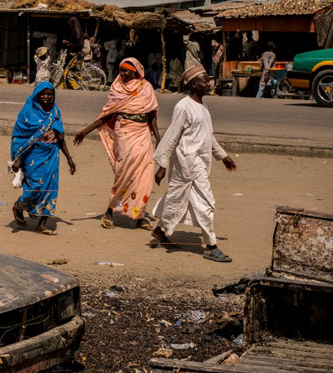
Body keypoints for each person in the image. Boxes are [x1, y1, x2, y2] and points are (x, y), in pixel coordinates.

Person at [150, 64, 237, 262]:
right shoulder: (183, 107)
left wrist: (223, 156)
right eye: (204, 81)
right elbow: (172, 136)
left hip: (199, 161)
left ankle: (161, 230)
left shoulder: (203, 107)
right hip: (188, 163)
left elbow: (208, 136)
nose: (208, 84)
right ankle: (211, 245)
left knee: (176, 196)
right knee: (205, 203)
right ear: (193, 84)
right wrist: (162, 166)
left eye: (208, 81)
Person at [73, 58, 160, 229]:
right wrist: (85, 131)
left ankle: (138, 216)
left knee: (144, 174)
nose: (122, 73)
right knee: (124, 172)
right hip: (125, 132)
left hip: (143, 133)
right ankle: (109, 212)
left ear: (135, 71)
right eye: (120, 70)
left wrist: (158, 137)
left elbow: (151, 115)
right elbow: (106, 115)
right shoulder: (117, 88)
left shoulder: (146, 88)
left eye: (125, 70)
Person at [10, 82, 77, 234]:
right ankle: (19, 206)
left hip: (52, 154)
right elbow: (21, 137)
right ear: (37, 95)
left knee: (50, 188)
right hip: (33, 155)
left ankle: (42, 223)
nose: (46, 97)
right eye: (43, 94)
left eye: (49, 94)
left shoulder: (55, 111)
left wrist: (69, 158)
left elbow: (60, 136)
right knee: (35, 187)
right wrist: (19, 158)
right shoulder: (28, 112)